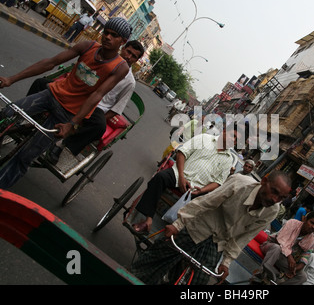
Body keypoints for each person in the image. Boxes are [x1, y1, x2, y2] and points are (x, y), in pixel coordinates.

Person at [0, 17, 132, 189]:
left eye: (114, 35)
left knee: (26, 156)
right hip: (53, 94)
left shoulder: (120, 67)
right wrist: (11, 79)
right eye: (106, 32)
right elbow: (51, 63)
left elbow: (97, 94)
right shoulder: (88, 46)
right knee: (7, 114)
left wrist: (72, 124)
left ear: (123, 41)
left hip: (69, 113)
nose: (107, 37)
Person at [131, 171, 292, 285]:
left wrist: (227, 262)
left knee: (198, 281)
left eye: (281, 198)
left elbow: (244, 237)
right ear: (264, 181)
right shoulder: (239, 183)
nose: (274, 199)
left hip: (218, 243)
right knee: (158, 257)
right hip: (198, 227)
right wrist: (178, 224)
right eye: (274, 192)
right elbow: (206, 202)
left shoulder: (273, 210)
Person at [26, 40, 145, 163]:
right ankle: (28, 119)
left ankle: (61, 146)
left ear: (136, 61)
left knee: (99, 126)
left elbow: (116, 109)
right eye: (128, 51)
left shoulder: (129, 82)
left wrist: (87, 120)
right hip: (79, 93)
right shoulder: (103, 59)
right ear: (122, 48)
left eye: (133, 56)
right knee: (40, 83)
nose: (128, 57)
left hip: (96, 107)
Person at [131, 126, 240, 233]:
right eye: (233, 136)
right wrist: (182, 177)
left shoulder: (228, 159)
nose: (233, 140)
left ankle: (171, 235)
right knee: (160, 177)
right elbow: (182, 153)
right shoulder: (204, 138)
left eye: (236, 140)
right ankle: (148, 219)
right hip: (179, 175)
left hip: (197, 190)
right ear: (225, 131)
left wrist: (202, 191)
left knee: (202, 211)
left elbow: (218, 182)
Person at [258, 211, 314, 284]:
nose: (313, 227)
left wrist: (294, 269)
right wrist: (290, 257)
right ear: (305, 219)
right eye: (312, 223)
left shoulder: (311, 241)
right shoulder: (292, 223)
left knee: (302, 277)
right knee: (277, 248)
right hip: (272, 247)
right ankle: (261, 275)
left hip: (283, 259)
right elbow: (280, 240)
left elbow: (305, 259)